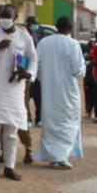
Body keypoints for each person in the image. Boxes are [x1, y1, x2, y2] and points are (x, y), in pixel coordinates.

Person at [0, 4, 38, 180]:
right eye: (2, 16)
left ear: (15, 17)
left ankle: (9, 167)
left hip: (14, 90)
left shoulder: (23, 36)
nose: (4, 19)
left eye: (8, 15)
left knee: (11, 132)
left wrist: (29, 74)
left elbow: (34, 58)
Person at [32, 16, 86, 169]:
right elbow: (79, 70)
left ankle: (53, 156)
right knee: (67, 123)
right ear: (70, 28)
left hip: (49, 90)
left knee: (50, 122)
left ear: (56, 26)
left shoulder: (44, 43)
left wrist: (47, 80)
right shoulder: (73, 44)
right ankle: (61, 156)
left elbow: (38, 66)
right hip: (68, 91)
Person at [25, 15, 45, 126]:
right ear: (28, 25)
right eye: (34, 24)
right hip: (26, 70)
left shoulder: (40, 36)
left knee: (39, 96)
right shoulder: (23, 36)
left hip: (37, 71)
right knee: (25, 96)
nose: (36, 26)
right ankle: (27, 119)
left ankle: (39, 118)